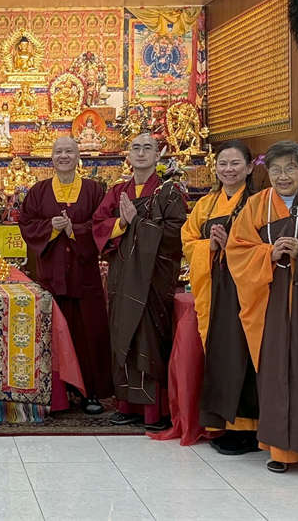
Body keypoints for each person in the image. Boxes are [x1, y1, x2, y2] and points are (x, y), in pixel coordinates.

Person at [226, 141, 298, 475]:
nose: (282, 176)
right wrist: (269, 254)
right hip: (270, 299)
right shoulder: (256, 206)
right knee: (276, 371)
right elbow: (237, 250)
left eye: (290, 168)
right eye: (275, 170)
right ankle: (280, 450)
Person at [92, 133, 187, 430]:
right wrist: (122, 222)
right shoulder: (118, 191)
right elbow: (99, 225)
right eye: (136, 148)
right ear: (128, 155)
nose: (142, 153)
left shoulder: (169, 192)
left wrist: (138, 223)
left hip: (153, 279)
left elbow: (175, 234)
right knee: (123, 335)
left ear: (158, 156)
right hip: (123, 275)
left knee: (149, 338)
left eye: (148, 148)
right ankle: (127, 405)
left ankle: (154, 411)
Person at [18, 137, 110, 414]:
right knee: (53, 334)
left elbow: (102, 224)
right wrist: (51, 227)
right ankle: (57, 393)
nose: (64, 156)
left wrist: (73, 230)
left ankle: (90, 393)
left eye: (69, 151)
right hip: (51, 276)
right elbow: (26, 223)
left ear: (78, 156)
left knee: (88, 334)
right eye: (59, 152)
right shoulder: (39, 191)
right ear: (52, 157)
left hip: (84, 278)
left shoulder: (94, 190)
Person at [189, 140, 262, 455]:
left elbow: (266, 242)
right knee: (222, 354)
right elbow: (187, 240)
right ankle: (225, 425)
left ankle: (250, 428)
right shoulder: (206, 205)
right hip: (216, 285)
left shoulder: (259, 203)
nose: (228, 170)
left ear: (249, 167)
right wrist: (210, 246)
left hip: (248, 288)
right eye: (223, 163)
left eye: (235, 163)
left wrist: (233, 244)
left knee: (245, 354)